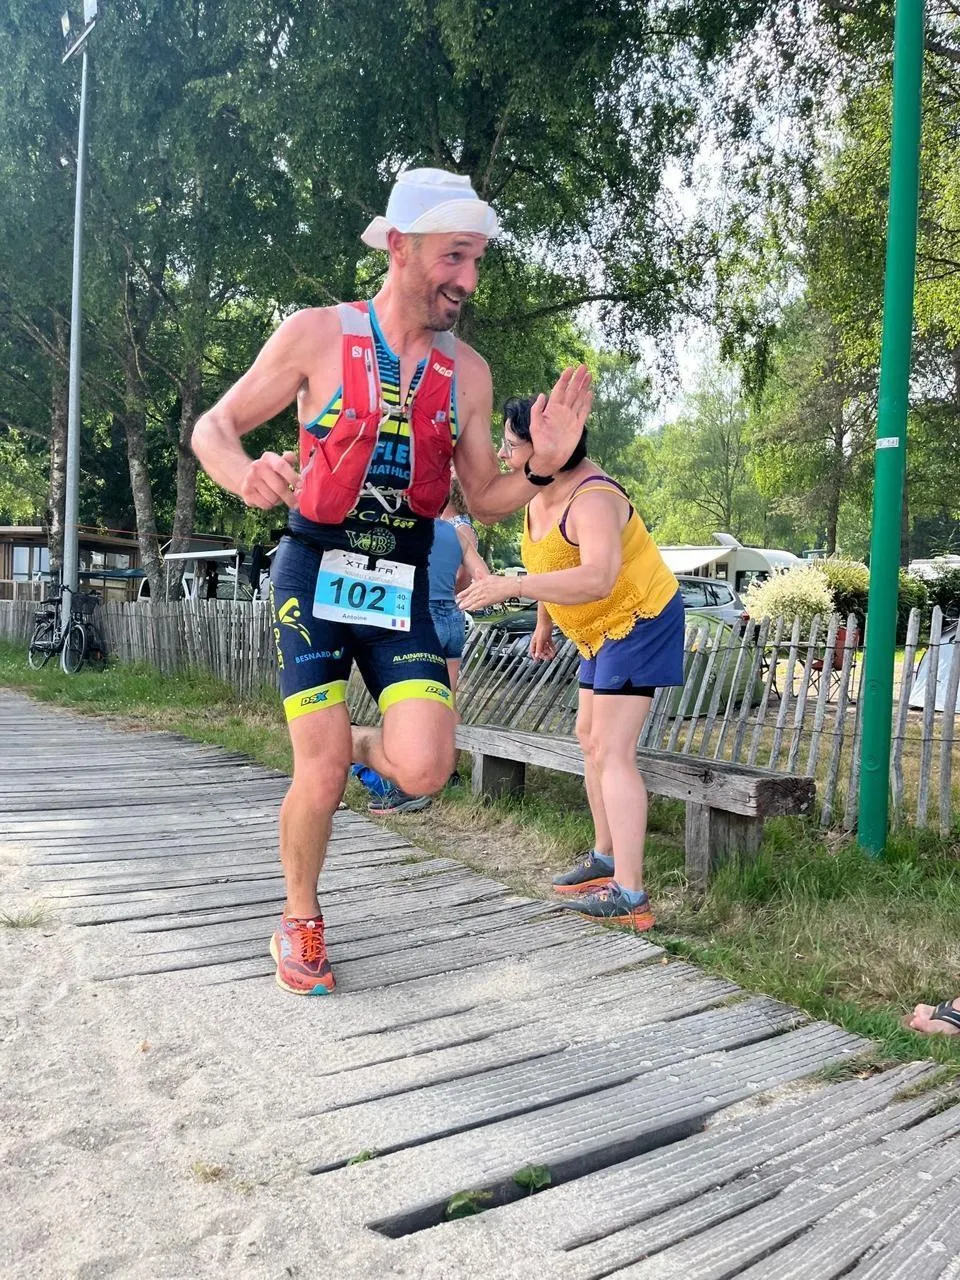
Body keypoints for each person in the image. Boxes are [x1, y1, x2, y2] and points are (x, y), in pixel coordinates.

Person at [191, 167, 592, 995]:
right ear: (401, 247)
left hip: (400, 580)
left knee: (425, 769)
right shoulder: (316, 335)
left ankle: (351, 749)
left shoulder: (469, 373)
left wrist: (544, 470)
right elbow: (214, 426)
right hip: (314, 573)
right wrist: (242, 473)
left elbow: (482, 496)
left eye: (477, 260)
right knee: (319, 771)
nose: (468, 280)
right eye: (454, 256)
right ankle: (299, 918)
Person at [457, 396, 683, 931]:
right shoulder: (538, 493)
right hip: (594, 629)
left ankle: (631, 893)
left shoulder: (594, 498)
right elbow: (553, 561)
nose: (504, 455)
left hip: (638, 617)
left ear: (550, 449)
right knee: (587, 737)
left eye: (511, 445)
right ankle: (605, 857)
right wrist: (543, 622)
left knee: (612, 749)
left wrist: (511, 587)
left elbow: (598, 576)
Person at [353, 477, 489, 813]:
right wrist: (459, 595)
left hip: (420, 618)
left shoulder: (408, 528)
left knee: (407, 703)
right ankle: (446, 772)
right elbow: (481, 574)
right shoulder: (456, 533)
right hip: (453, 619)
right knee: (447, 702)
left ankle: (404, 783)